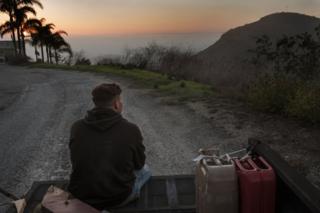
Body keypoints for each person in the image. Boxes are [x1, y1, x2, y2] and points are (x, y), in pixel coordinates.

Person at [68, 83, 151, 210]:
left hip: (81, 197)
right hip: (118, 198)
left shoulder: (76, 127)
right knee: (146, 170)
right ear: (117, 104)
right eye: (120, 101)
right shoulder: (131, 129)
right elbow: (139, 164)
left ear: (95, 103)